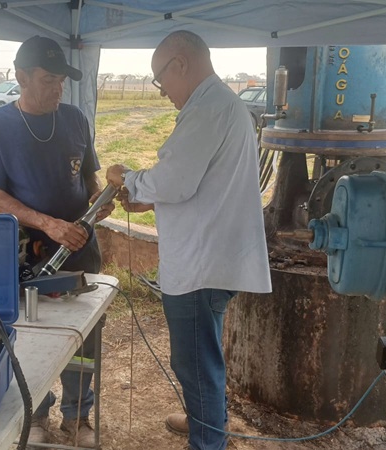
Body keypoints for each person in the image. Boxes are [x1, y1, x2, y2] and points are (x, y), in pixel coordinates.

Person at [105, 30, 272, 450]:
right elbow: (198, 184)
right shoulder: (218, 105)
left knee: (196, 364)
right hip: (210, 256)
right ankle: (206, 420)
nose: (163, 93)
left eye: (161, 82)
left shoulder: (210, 109)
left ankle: (208, 438)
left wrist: (127, 179)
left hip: (201, 265)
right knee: (203, 358)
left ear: (179, 64)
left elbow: (176, 181)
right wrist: (149, 200)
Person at [0, 35, 113, 448]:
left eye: (62, 81)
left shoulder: (74, 119)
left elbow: (88, 178)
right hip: (25, 256)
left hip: (79, 248)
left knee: (84, 336)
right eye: (48, 79)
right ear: (21, 77)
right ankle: (36, 412)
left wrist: (96, 202)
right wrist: (48, 224)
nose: (57, 89)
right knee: (31, 335)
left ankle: (78, 416)